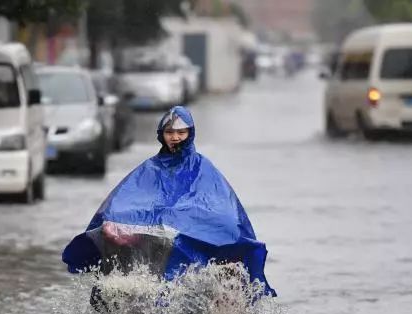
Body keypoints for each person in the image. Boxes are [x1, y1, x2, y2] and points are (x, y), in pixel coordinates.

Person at [62, 106, 275, 300]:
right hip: (152, 244)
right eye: (170, 133)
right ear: (161, 135)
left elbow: (224, 211)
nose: (175, 138)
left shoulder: (204, 168)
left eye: (181, 133)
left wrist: (189, 221)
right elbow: (123, 201)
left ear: (190, 134)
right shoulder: (149, 169)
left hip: (183, 238)